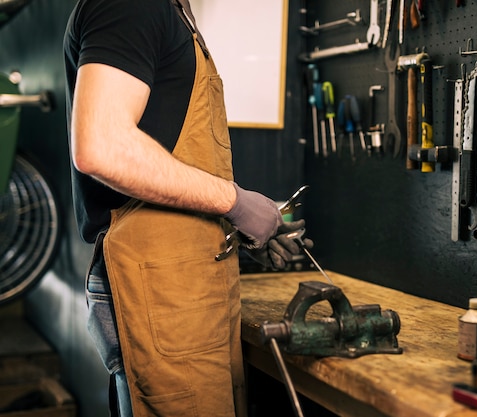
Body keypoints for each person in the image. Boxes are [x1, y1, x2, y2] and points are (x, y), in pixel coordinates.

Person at [63, 0, 311, 416]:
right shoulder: (133, 7)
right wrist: (234, 201)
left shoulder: (171, 12)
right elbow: (102, 146)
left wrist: (238, 225)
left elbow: (168, 164)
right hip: (158, 291)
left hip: (185, 286)